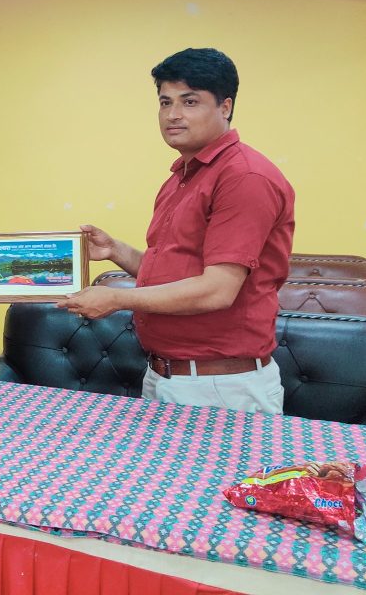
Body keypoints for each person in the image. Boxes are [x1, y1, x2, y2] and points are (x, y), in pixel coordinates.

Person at [59, 48, 294, 414]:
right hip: (165, 374)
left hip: (220, 385)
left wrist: (117, 299)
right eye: (165, 102)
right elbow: (174, 273)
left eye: (190, 101)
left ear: (225, 107)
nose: (173, 115)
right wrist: (116, 250)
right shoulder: (182, 178)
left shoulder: (243, 176)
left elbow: (217, 289)